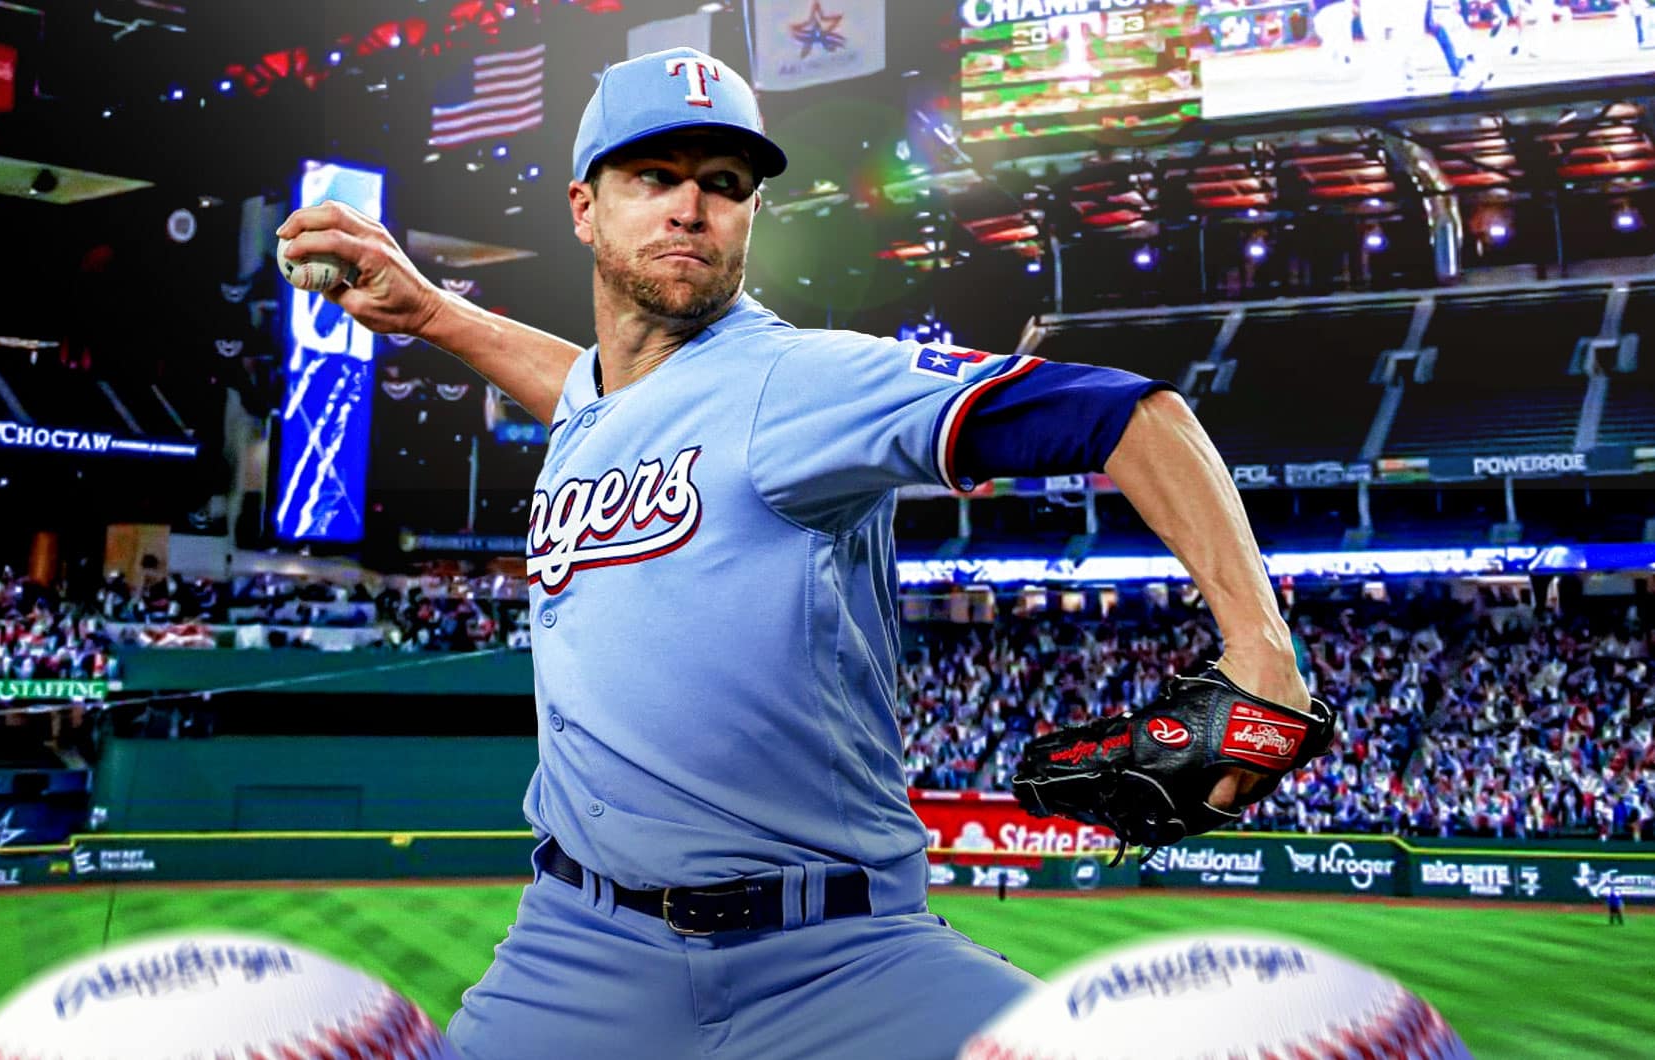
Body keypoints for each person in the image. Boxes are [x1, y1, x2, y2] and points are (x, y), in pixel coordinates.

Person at [279, 46, 1311, 1060]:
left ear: (751, 215)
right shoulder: (604, 403)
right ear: (584, 209)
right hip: (574, 948)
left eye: (723, 185)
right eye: (653, 177)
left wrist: (1262, 647)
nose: (690, 207)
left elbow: (1137, 415)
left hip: (835, 959)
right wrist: (430, 313)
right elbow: (596, 394)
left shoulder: (803, 381)